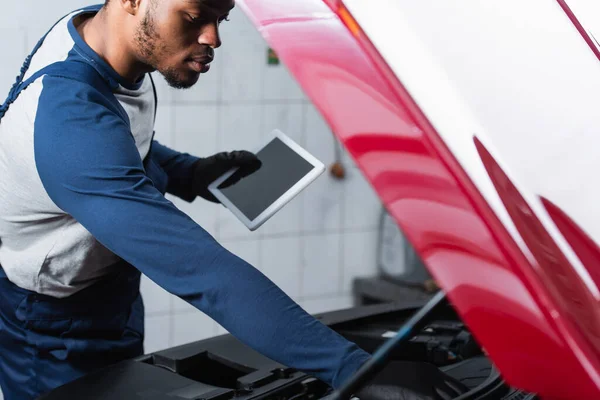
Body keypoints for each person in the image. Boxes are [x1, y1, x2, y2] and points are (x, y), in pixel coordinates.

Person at [0, 0, 373, 399]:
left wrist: (188, 173)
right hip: (52, 331)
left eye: (221, 17)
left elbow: (117, 133)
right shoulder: (70, 119)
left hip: (107, 294)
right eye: (195, 17)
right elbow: (201, 271)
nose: (214, 37)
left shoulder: (98, 34)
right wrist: (357, 369)